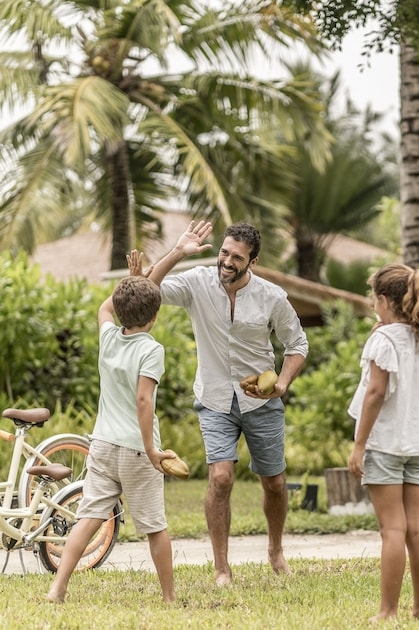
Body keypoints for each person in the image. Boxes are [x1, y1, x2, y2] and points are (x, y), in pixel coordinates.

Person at [136, 219, 308, 586]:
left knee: (275, 483)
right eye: (224, 253)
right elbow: (147, 290)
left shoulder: (272, 297)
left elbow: (297, 346)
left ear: (253, 262)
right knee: (220, 476)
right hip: (214, 398)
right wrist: (178, 252)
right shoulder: (197, 282)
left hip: (261, 403)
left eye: (237, 258)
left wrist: (281, 383)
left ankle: (276, 550)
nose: (227, 262)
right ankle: (221, 567)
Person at [47, 275, 177, 604]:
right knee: (154, 525)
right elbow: (144, 400)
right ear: (155, 316)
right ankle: (169, 597)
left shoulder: (109, 337)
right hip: (136, 450)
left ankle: (58, 588)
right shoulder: (152, 349)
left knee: (89, 517)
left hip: (102, 444)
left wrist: (132, 278)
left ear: (119, 312)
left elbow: (105, 307)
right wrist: (152, 450)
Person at [347, 263, 419, 621]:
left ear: (385, 300)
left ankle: (388, 612)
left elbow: (375, 393)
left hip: (387, 443)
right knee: (415, 528)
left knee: (392, 529)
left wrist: (359, 445)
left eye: (374, 298)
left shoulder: (384, 340)